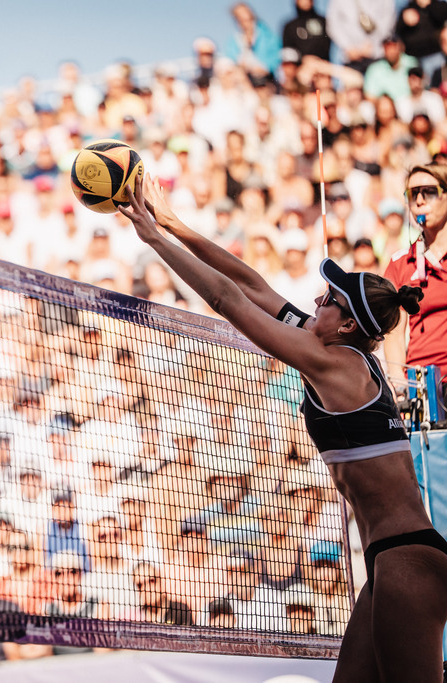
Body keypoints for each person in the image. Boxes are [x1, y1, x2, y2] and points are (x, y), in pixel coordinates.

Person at [120, 174, 447, 682]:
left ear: (345, 325)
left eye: (329, 300)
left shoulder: (335, 363)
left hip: (407, 559)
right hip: (391, 559)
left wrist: (153, 240)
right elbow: (252, 285)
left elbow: (229, 302)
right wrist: (173, 223)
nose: (317, 300)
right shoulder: (337, 351)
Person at [384, 164, 447, 401]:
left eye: (429, 191)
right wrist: (399, 384)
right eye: (412, 194)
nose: (419, 200)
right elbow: (394, 331)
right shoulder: (400, 263)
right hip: (423, 387)